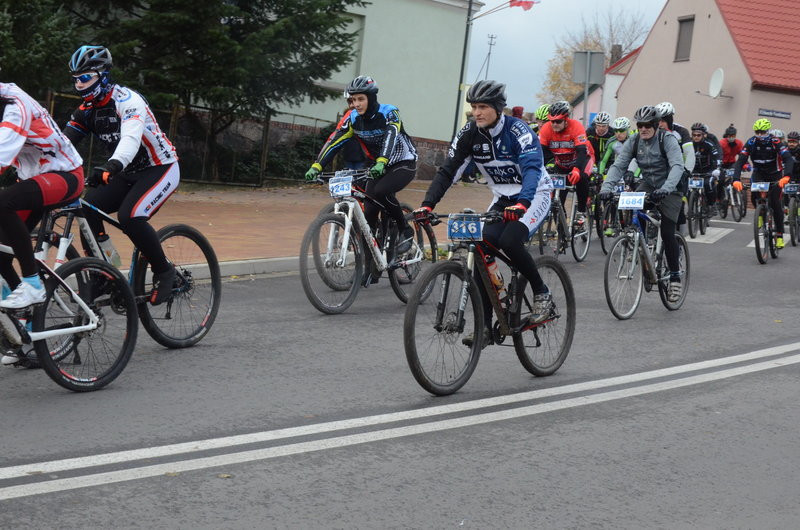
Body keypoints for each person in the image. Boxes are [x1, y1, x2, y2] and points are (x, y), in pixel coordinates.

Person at [412, 80, 553, 348]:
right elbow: (449, 170)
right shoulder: (469, 134)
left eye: (483, 107)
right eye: (474, 106)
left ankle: (542, 293)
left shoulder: (518, 131)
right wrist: (427, 204)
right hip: (502, 198)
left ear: (499, 108)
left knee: (510, 241)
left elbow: (533, 168)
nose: (477, 112)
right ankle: (486, 327)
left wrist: (523, 202)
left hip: (534, 195)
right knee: (480, 248)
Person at [64, 45, 180, 305]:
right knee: (88, 208)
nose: (80, 85)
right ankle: (104, 273)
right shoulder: (86, 110)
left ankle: (164, 270)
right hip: (125, 171)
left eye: (85, 78)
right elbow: (61, 145)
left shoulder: (127, 100)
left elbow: (130, 138)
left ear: (103, 75)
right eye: (75, 79)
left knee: (131, 216)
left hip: (159, 167)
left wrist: (111, 166)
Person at [305, 75, 417, 256]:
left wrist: (382, 161)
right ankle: (370, 265)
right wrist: (317, 165)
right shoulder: (353, 118)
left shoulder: (389, 112)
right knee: (370, 210)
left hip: (402, 161)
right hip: (375, 165)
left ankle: (405, 229)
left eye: (360, 99)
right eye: (353, 100)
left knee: (381, 191)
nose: (356, 104)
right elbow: (334, 141)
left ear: (371, 98)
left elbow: (391, 137)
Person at [0, 83, 84, 313]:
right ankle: (24, 320)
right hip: (32, 180)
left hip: (64, 175)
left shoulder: (16, 107)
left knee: (3, 203)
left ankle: (32, 283)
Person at [599, 105, 685, 302]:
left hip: (671, 187)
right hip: (649, 183)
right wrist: (606, 188)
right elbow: (619, 165)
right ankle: (642, 250)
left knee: (667, 231)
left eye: (647, 125)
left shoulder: (667, 139)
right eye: (640, 125)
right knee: (633, 209)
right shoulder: (634, 140)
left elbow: (677, 166)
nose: (643, 129)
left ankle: (674, 277)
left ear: (655, 125)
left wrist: (666, 189)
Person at [732, 118, 794, 249]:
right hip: (759, 173)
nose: (760, 135)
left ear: (768, 131)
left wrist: (786, 176)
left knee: (775, 202)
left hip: (775, 175)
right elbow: (740, 161)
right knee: (755, 197)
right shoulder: (751, 142)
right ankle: (760, 213)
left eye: (762, 132)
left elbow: (788, 159)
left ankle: (779, 235)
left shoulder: (775, 141)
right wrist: (736, 179)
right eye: (757, 132)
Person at [537, 100, 594, 224]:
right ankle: (562, 228)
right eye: (552, 121)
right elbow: (540, 153)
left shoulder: (576, 126)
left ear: (566, 119)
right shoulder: (546, 129)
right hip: (561, 164)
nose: (554, 124)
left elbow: (581, 151)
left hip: (581, 159)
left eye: (558, 121)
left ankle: (581, 211)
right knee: (558, 199)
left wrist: (577, 169)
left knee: (582, 178)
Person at [689, 122, 721, 212]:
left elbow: (717, 157)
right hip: (694, 170)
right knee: (686, 188)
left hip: (708, 170)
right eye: (694, 135)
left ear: (703, 135)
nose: (696, 137)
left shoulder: (709, 144)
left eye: (698, 135)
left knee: (709, 184)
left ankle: (712, 204)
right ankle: (691, 207)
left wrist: (717, 168)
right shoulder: (689, 144)